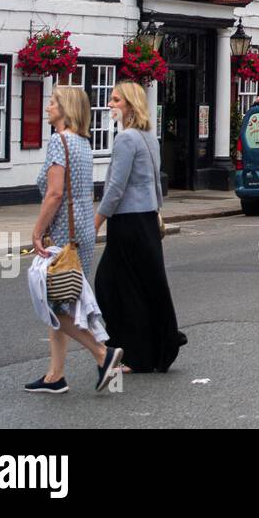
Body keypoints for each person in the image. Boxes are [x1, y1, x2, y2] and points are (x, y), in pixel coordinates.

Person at [27, 86, 123, 394]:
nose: (48, 106)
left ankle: (102, 354)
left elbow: (55, 194)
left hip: (63, 232)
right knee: (64, 299)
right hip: (81, 228)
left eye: (53, 102)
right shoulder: (82, 142)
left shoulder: (59, 141)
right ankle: (55, 376)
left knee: (53, 302)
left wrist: (37, 231)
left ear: (66, 108)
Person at [95, 82, 182, 374]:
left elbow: (116, 187)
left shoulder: (126, 140)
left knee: (111, 287)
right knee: (143, 286)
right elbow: (156, 182)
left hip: (127, 222)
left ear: (130, 106)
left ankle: (133, 355)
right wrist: (157, 212)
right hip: (145, 219)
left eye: (116, 100)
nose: (110, 104)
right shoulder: (150, 137)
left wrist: (96, 222)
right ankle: (147, 349)